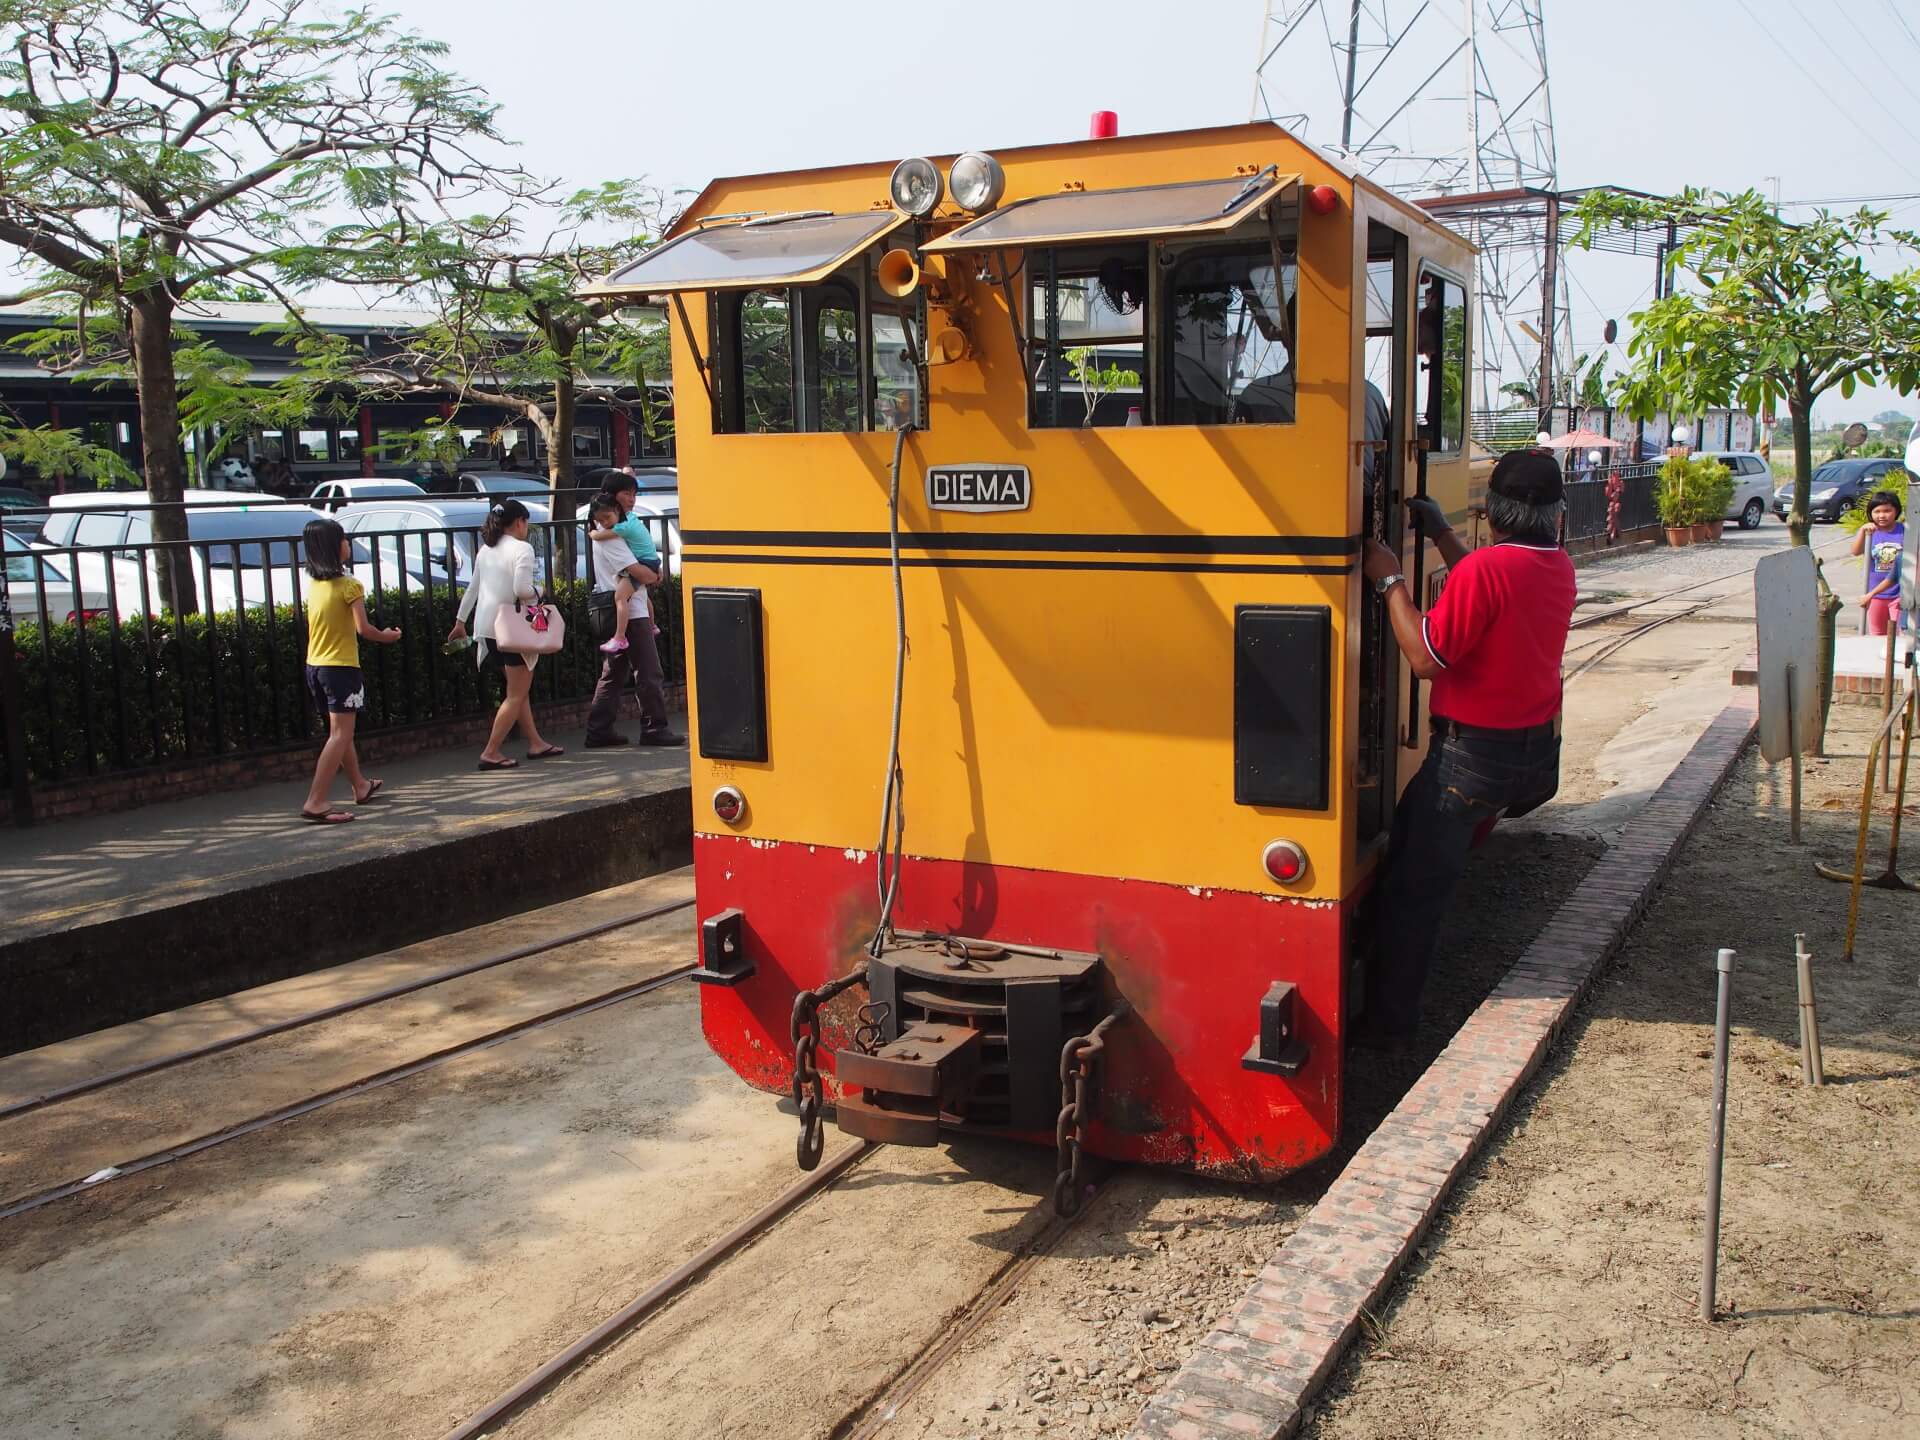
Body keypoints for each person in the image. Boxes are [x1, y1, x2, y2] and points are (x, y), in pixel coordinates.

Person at [1357, 448, 1578, 1047]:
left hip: (1471, 762)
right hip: (1532, 757)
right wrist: (1441, 534)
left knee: (1413, 893)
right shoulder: (1558, 564)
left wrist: (1389, 580)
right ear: (1556, 513)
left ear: (1493, 511)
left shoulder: (1487, 571)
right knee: (1420, 850)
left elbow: (1426, 657)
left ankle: (1389, 1027)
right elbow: (1487, 588)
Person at [447, 498, 565, 769]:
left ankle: (536, 742)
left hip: (487, 629)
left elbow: (472, 589)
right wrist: (541, 591)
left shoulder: (486, 550)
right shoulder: (522, 549)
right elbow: (522, 590)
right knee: (516, 694)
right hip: (513, 631)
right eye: (526, 523)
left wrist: (460, 621)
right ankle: (491, 751)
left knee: (517, 691)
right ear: (520, 522)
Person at [298, 517, 400, 823]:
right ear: (334, 547)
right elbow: (364, 629)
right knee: (341, 734)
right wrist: (388, 636)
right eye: (343, 539)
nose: (347, 544)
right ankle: (316, 801)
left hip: (315, 667)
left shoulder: (315, 585)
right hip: (341, 669)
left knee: (340, 733)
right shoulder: (350, 585)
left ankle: (360, 785)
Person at [585, 473, 685, 748]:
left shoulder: (611, 527)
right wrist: (654, 574)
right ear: (611, 496)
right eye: (626, 494)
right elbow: (638, 571)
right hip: (631, 611)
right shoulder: (610, 534)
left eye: (634, 494)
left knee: (613, 675)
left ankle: (599, 731)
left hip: (627, 607)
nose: (632, 499)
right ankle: (654, 728)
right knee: (649, 672)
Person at [586, 493, 661, 655]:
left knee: (620, 596)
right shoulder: (632, 518)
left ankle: (620, 637)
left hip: (645, 564)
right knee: (643, 596)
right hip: (651, 561)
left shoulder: (622, 527)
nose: (605, 523)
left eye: (607, 518)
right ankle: (652, 626)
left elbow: (601, 535)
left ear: (617, 510)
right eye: (600, 521)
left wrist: (593, 534)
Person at [1851, 490, 1905, 638]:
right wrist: (1862, 531)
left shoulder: (1904, 531)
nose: (1881, 515)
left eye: (1887, 511)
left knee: (1901, 634)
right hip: (1875, 594)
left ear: (1896, 511)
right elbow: (1855, 551)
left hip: (1899, 593)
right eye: (1877, 511)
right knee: (1878, 635)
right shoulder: (1870, 532)